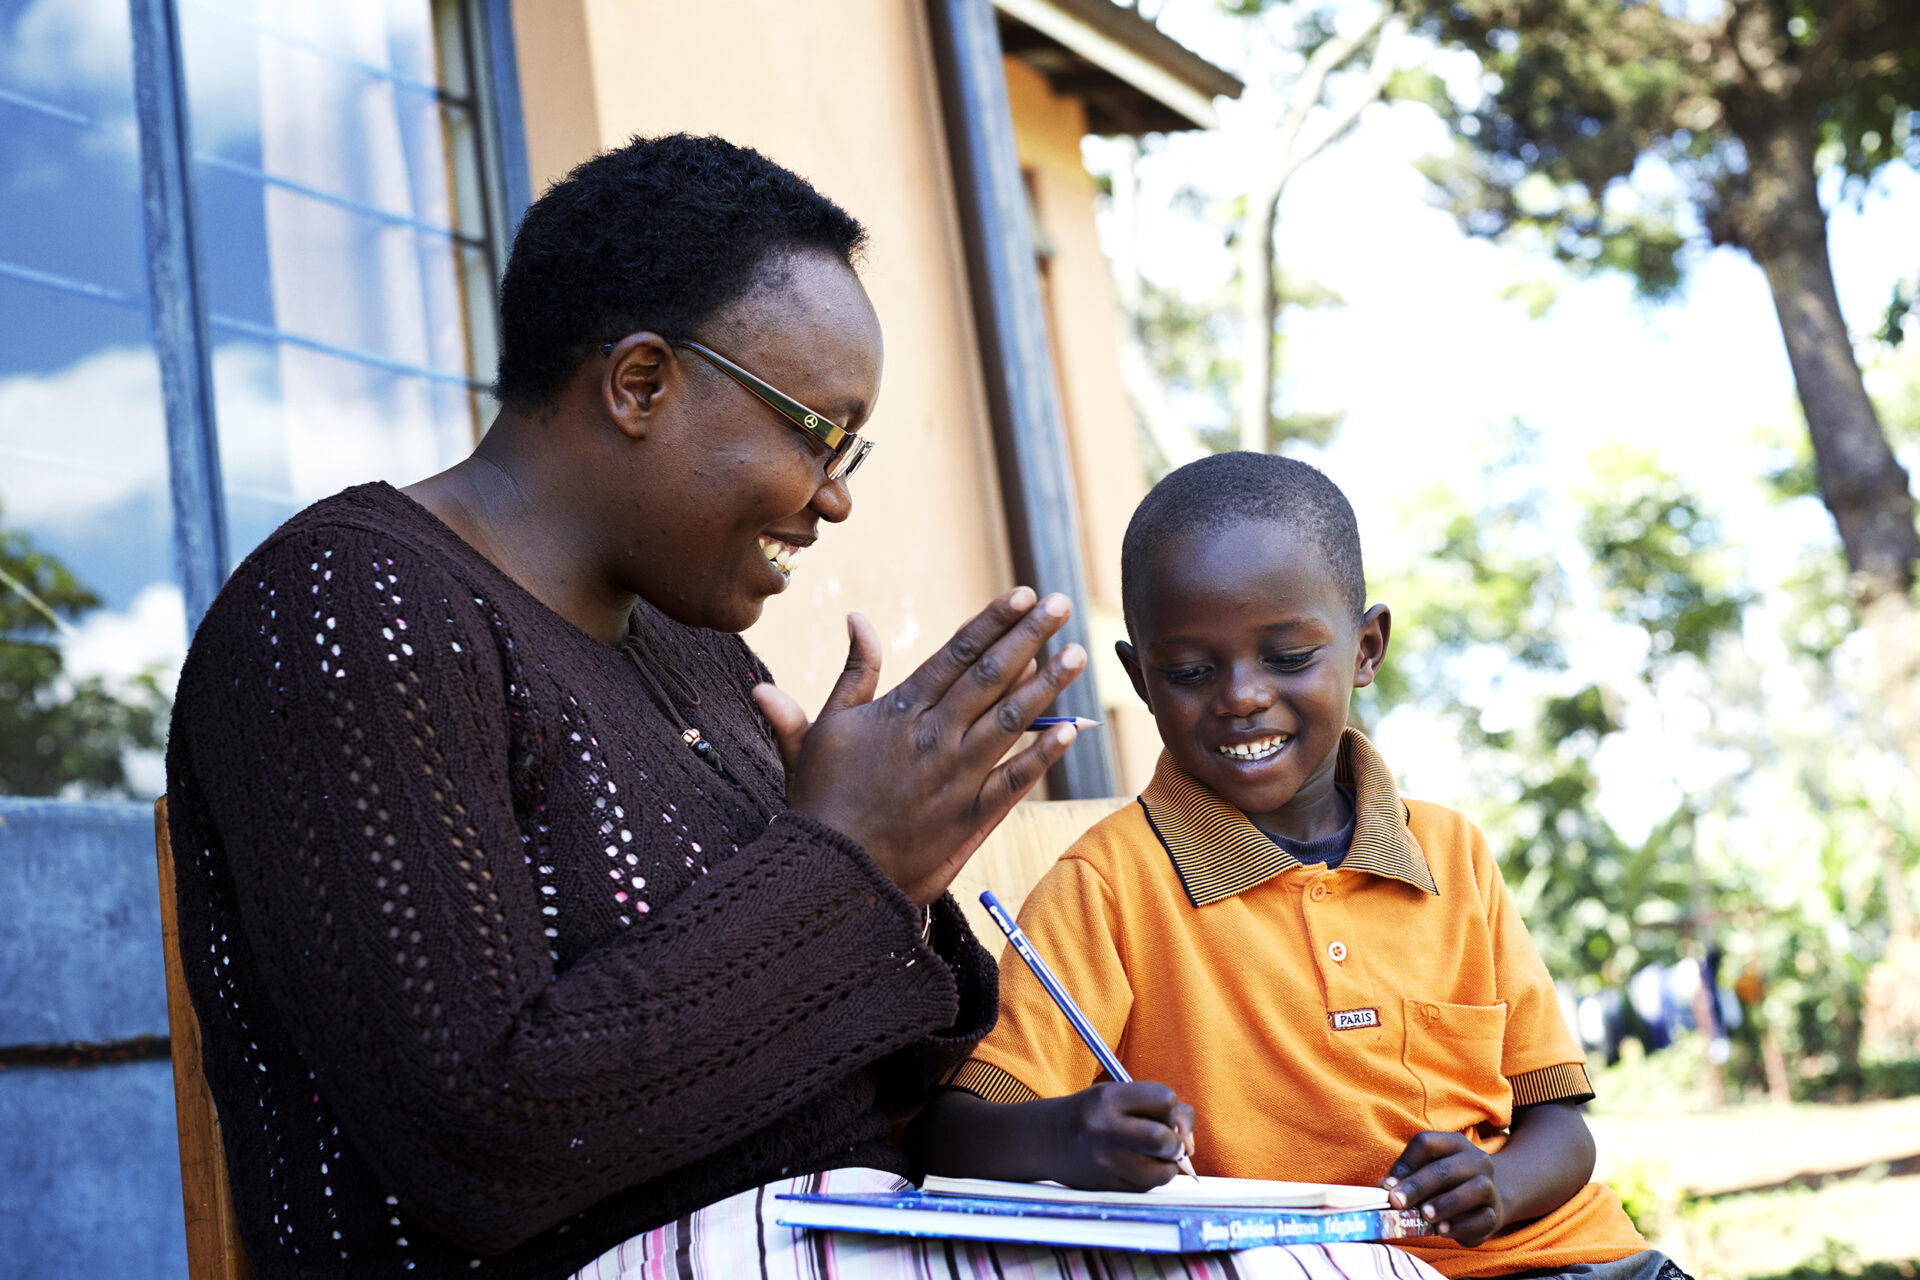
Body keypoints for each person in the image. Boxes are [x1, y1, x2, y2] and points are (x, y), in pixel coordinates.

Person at [164, 136, 1440, 1280]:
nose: (832, 499)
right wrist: (848, 864)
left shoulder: (693, 651)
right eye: (815, 433)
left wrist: (908, 874)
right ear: (643, 384)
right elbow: (486, 1141)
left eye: (852, 451)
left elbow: (887, 1058)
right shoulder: (348, 606)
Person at [904, 453, 1692, 1280]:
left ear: (1366, 648)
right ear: (1139, 680)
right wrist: (1067, 1135)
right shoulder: (1109, 884)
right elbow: (945, 1132)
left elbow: (1561, 1128)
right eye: (1189, 671)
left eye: (1287, 657)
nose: (1242, 695)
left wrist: (1495, 1180)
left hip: (1567, 1260)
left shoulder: (1449, 852)